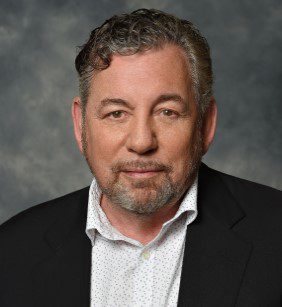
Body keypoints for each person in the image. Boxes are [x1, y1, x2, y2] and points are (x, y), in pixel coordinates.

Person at [0, 8, 281, 307]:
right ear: (80, 125)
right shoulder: (11, 252)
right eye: (116, 113)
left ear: (205, 125)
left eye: (167, 112)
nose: (142, 141)